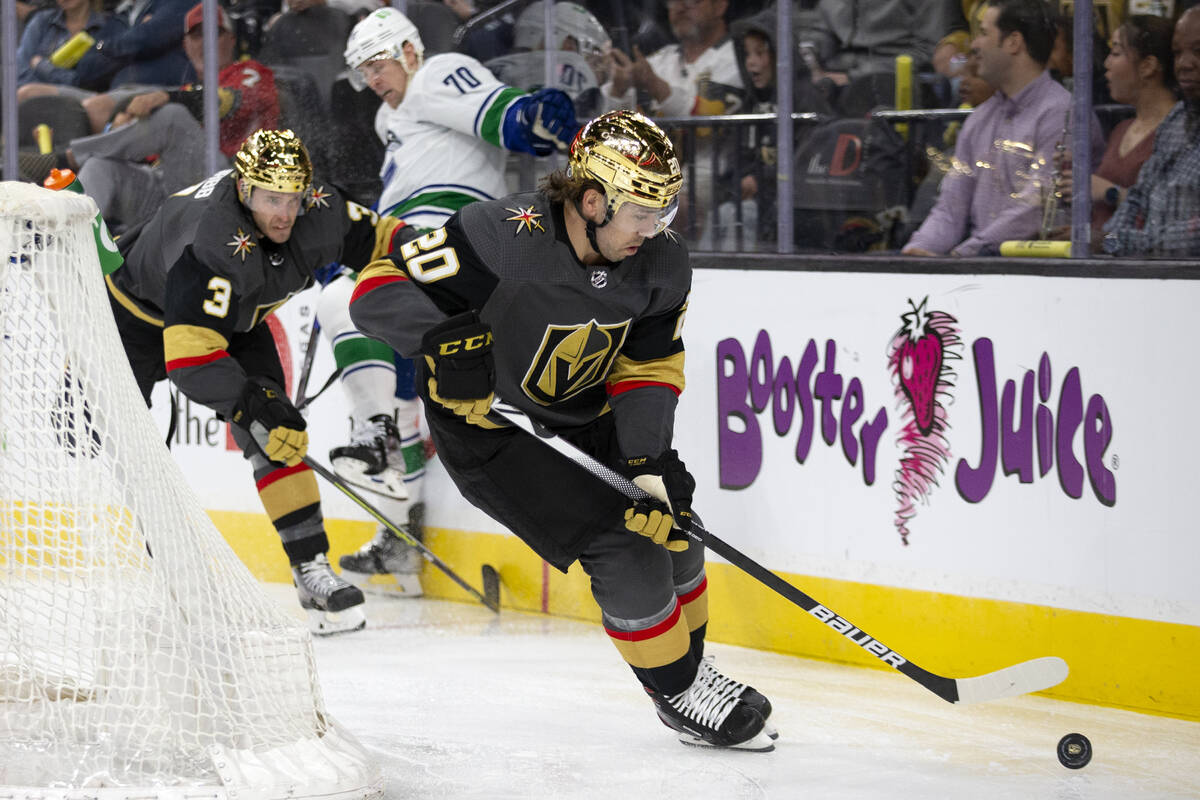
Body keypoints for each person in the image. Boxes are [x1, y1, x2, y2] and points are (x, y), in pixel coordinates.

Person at [348, 109, 777, 752]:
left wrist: (646, 459)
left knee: (678, 532)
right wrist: (442, 341)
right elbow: (375, 291)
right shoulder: (501, 236)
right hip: (496, 434)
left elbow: (647, 366)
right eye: (640, 212)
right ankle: (679, 692)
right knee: (625, 547)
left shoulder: (661, 261)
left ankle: (687, 673)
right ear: (593, 200)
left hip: (588, 418)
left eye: (663, 212)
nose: (652, 229)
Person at [309, 6, 582, 597]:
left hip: (451, 239)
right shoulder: (391, 119)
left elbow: (501, 116)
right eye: (363, 70)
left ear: (409, 50)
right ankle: (401, 536)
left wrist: (531, 115)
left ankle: (374, 438)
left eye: (379, 62)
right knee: (409, 390)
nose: (374, 78)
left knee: (341, 304)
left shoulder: (439, 72)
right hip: (417, 240)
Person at [105, 129, 410, 634]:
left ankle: (311, 570)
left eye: (293, 197)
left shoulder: (319, 207)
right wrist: (251, 402)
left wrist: (448, 270)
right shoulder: (210, 241)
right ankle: (163, 561)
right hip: (132, 318)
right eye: (272, 198)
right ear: (245, 190)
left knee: (277, 434)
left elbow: (385, 239)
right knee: (106, 441)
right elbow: (191, 359)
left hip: (236, 320)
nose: (285, 213)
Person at [24, 3, 279, 234]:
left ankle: (66, 158)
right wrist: (124, 127)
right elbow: (147, 152)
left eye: (214, 33)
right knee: (101, 165)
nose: (204, 42)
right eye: (196, 35)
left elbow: (230, 102)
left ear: (231, 39)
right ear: (186, 45)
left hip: (230, 192)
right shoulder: (186, 88)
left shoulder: (250, 72)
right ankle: (61, 241)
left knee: (171, 115)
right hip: (173, 194)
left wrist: (166, 98)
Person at [901, 0, 1104, 257]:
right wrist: (917, 250)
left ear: (1013, 42)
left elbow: (1033, 211)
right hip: (980, 267)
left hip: (1040, 275)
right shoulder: (980, 119)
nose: (974, 45)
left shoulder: (1063, 114)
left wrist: (963, 255)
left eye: (984, 33)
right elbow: (950, 207)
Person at [714, 7, 832, 251]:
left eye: (760, 52)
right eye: (747, 54)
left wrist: (761, 181)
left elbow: (808, 158)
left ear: (782, 54)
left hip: (798, 212)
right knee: (726, 213)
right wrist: (740, 179)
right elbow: (732, 156)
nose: (752, 62)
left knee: (737, 215)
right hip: (753, 204)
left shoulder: (806, 100)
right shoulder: (749, 103)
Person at [1103, 6, 1200, 257]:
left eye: (1198, 51)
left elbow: (1194, 239)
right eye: (1177, 53)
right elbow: (1139, 196)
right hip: (1152, 285)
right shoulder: (1177, 120)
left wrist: (1118, 242)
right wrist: (1111, 238)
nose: (1184, 64)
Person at [1077, 15, 1176, 233]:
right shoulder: (1121, 131)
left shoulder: (1177, 133)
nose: (1106, 64)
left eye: (1116, 53)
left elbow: (1172, 216)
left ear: (1148, 66)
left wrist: (1110, 192)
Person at [485, 0, 611, 118]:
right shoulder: (572, 72)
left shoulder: (487, 72)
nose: (596, 67)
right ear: (569, 45)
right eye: (593, 57)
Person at [16, 0, 126, 91]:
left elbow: (85, 82)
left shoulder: (112, 27)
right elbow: (20, 73)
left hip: (86, 101)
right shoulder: (42, 21)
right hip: (35, 102)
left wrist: (42, 66)